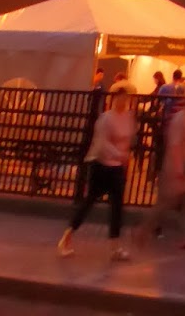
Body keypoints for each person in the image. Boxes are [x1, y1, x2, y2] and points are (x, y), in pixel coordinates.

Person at [57, 84, 137, 261]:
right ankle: (66, 237)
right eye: (120, 97)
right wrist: (120, 154)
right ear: (114, 98)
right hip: (101, 165)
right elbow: (102, 143)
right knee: (89, 202)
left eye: (126, 97)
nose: (123, 101)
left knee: (117, 206)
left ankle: (115, 246)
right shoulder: (105, 118)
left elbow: (129, 138)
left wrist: (124, 157)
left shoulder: (128, 118)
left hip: (117, 167)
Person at [143, 89, 185, 249]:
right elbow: (174, 145)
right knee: (166, 203)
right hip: (177, 167)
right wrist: (179, 167)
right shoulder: (181, 119)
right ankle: (144, 229)